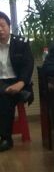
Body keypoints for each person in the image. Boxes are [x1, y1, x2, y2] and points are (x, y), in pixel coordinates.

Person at [0, 11, 33, 152]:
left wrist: (21, 83)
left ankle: (6, 138)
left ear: (9, 26)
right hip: (1, 82)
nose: (0, 30)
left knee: (4, 97)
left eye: (2, 26)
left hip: (18, 82)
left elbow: (28, 65)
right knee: (4, 94)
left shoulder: (21, 43)